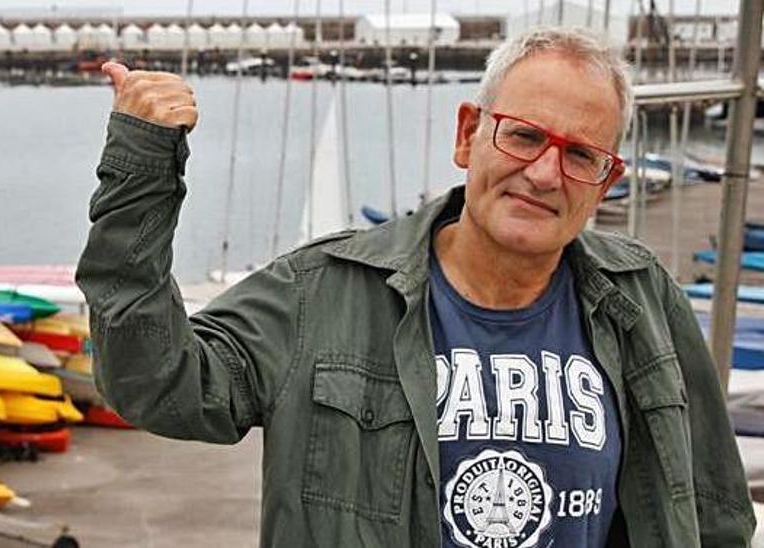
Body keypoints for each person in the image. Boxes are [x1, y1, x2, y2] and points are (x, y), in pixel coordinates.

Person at [76, 27, 754, 547]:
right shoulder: (321, 294)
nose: (545, 174)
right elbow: (156, 384)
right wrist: (142, 171)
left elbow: (716, 515)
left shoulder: (643, 300)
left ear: (607, 181)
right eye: (523, 137)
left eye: (581, 154)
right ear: (469, 134)